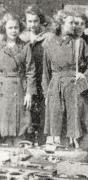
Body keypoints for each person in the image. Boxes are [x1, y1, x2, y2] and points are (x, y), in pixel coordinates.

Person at [42, 10, 88, 151]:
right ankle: (64, 160)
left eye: (75, 22)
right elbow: (46, 72)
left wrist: (85, 74)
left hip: (75, 88)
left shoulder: (79, 43)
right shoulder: (48, 44)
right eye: (70, 22)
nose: (74, 25)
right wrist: (46, 94)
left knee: (78, 124)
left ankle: (82, 158)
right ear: (60, 24)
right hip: (56, 89)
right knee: (60, 126)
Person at [0, 13, 36, 146]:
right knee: (3, 127)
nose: (13, 31)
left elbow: (31, 71)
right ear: (4, 28)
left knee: (20, 127)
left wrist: (29, 93)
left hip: (19, 89)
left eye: (16, 27)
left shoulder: (25, 47)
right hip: (2, 89)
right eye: (10, 28)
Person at [20, 4, 53, 144]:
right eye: (29, 21)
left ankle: (41, 144)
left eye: (35, 21)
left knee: (42, 117)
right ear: (25, 22)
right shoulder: (22, 38)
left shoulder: (49, 38)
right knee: (27, 116)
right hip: (26, 82)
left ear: (40, 21)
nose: (32, 24)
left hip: (43, 80)